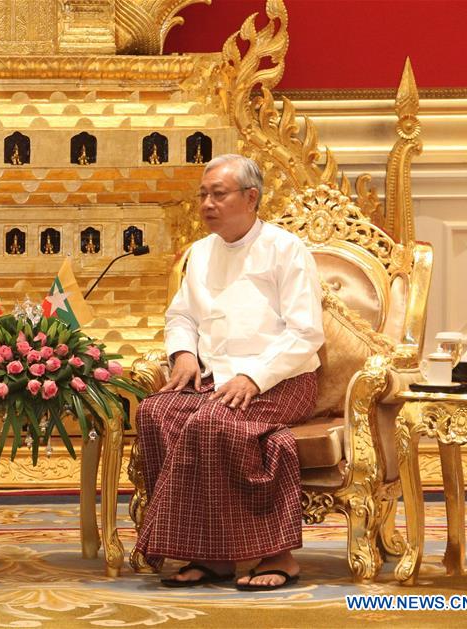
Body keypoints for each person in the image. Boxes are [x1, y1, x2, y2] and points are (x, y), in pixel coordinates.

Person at [134, 154, 324, 591]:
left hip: (283, 379)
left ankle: (279, 554)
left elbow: (305, 333)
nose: (206, 204)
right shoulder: (200, 253)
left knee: (211, 423)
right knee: (154, 413)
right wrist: (183, 354)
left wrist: (254, 377)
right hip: (216, 379)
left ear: (251, 197)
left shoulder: (285, 249)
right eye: (203, 194)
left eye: (218, 194)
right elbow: (180, 316)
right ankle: (210, 557)